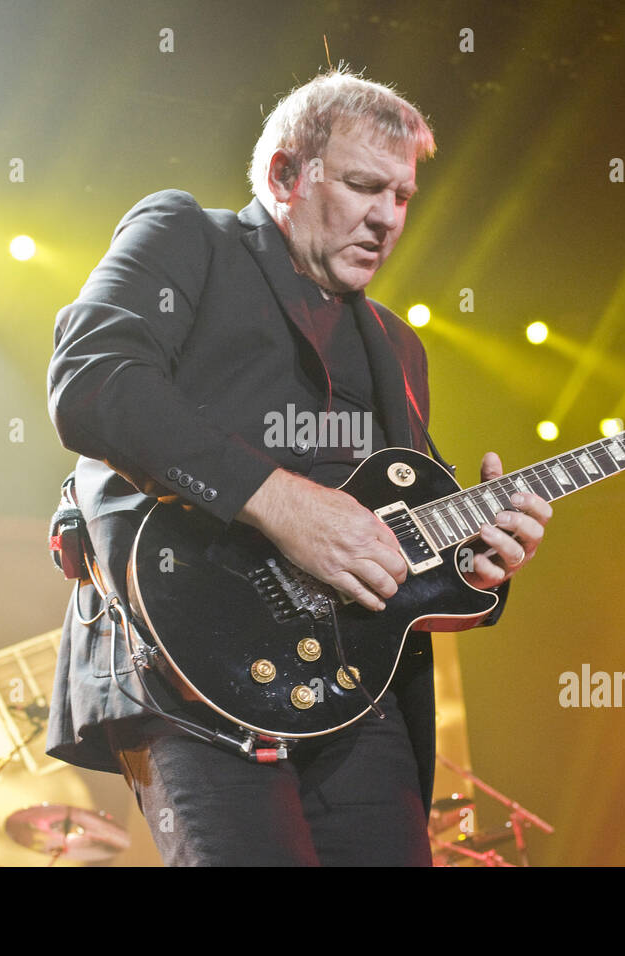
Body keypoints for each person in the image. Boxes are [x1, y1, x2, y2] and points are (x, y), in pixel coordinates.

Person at [45, 67, 552, 865]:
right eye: (362, 186)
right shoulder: (187, 237)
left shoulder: (395, 343)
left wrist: (479, 563)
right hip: (189, 670)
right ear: (286, 173)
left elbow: (400, 529)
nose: (387, 218)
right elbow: (93, 381)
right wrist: (281, 503)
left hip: (355, 696)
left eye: (403, 196)